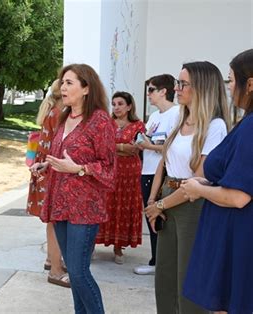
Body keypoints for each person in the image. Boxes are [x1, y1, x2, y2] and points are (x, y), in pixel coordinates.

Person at [145, 61, 231, 314]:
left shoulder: (215, 127)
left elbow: (198, 180)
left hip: (193, 206)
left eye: (183, 84)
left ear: (202, 88)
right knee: (165, 278)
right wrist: (153, 201)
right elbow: (164, 161)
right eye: (176, 83)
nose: (176, 89)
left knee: (188, 282)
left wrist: (160, 205)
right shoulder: (179, 120)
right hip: (167, 200)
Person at [39, 64, 116, 313]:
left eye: (69, 82)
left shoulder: (100, 120)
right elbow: (62, 156)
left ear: (86, 88)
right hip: (60, 204)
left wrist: (79, 169)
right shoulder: (64, 117)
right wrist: (45, 164)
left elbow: (109, 168)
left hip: (85, 207)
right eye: (62, 82)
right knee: (72, 270)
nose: (63, 87)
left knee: (80, 272)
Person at [181, 49, 253, 313]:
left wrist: (199, 188)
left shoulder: (251, 128)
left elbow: (239, 196)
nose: (230, 87)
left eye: (232, 80)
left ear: (251, 83)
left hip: (240, 241)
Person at [133, 75, 179, 275]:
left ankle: (163, 263)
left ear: (163, 91)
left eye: (151, 90)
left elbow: (172, 147)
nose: (148, 94)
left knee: (163, 217)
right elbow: (150, 140)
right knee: (151, 215)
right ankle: (156, 260)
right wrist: (143, 143)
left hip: (163, 172)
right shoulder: (154, 116)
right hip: (147, 170)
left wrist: (148, 145)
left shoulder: (177, 113)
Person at [27, 79, 69, 287]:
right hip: (51, 171)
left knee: (53, 220)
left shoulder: (52, 110)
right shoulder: (60, 113)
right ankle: (55, 269)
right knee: (54, 221)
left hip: (45, 170)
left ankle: (51, 260)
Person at [95, 91, 145, 264]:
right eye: (114, 104)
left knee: (124, 206)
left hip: (130, 173)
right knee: (105, 205)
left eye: (120, 104)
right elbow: (102, 146)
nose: (116, 107)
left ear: (129, 106)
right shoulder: (107, 124)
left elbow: (137, 148)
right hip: (110, 171)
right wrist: (123, 146)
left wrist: (116, 147)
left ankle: (118, 247)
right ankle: (93, 244)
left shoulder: (138, 125)